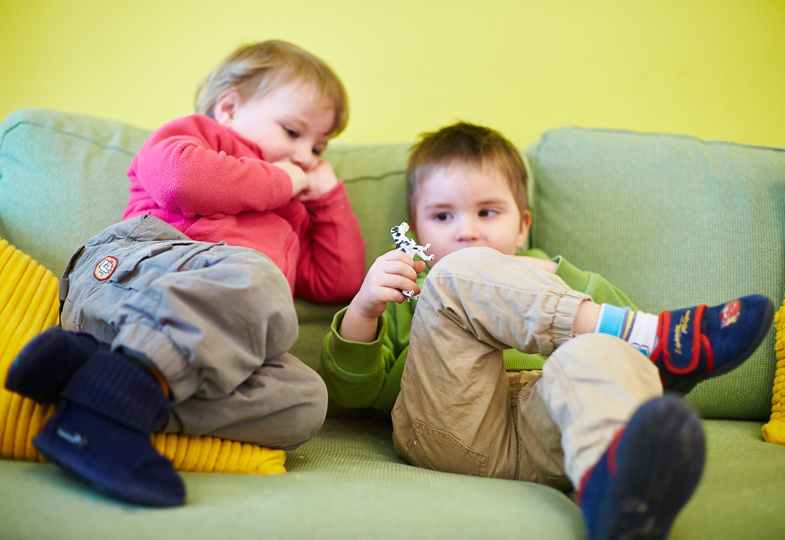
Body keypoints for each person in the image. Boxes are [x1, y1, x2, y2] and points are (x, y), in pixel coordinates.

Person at [319, 122, 773, 540]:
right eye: (442, 217)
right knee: (456, 275)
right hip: (453, 428)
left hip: (553, 430)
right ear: (415, 228)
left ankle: (615, 493)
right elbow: (353, 395)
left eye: (488, 212)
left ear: (523, 225)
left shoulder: (556, 277)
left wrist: (559, 279)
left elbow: (620, 359)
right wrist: (365, 309)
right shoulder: (412, 287)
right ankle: (655, 337)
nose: (467, 231)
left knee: (594, 352)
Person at [5, 40, 365, 507]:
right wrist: (282, 182)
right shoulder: (203, 136)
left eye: (319, 146)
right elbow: (180, 180)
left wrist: (328, 197)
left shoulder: (292, 215)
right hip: (129, 274)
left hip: (165, 336)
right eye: (293, 132)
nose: (306, 156)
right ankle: (103, 418)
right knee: (257, 277)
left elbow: (338, 281)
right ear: (230, 108)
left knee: (303, 400)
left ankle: (88, 375)